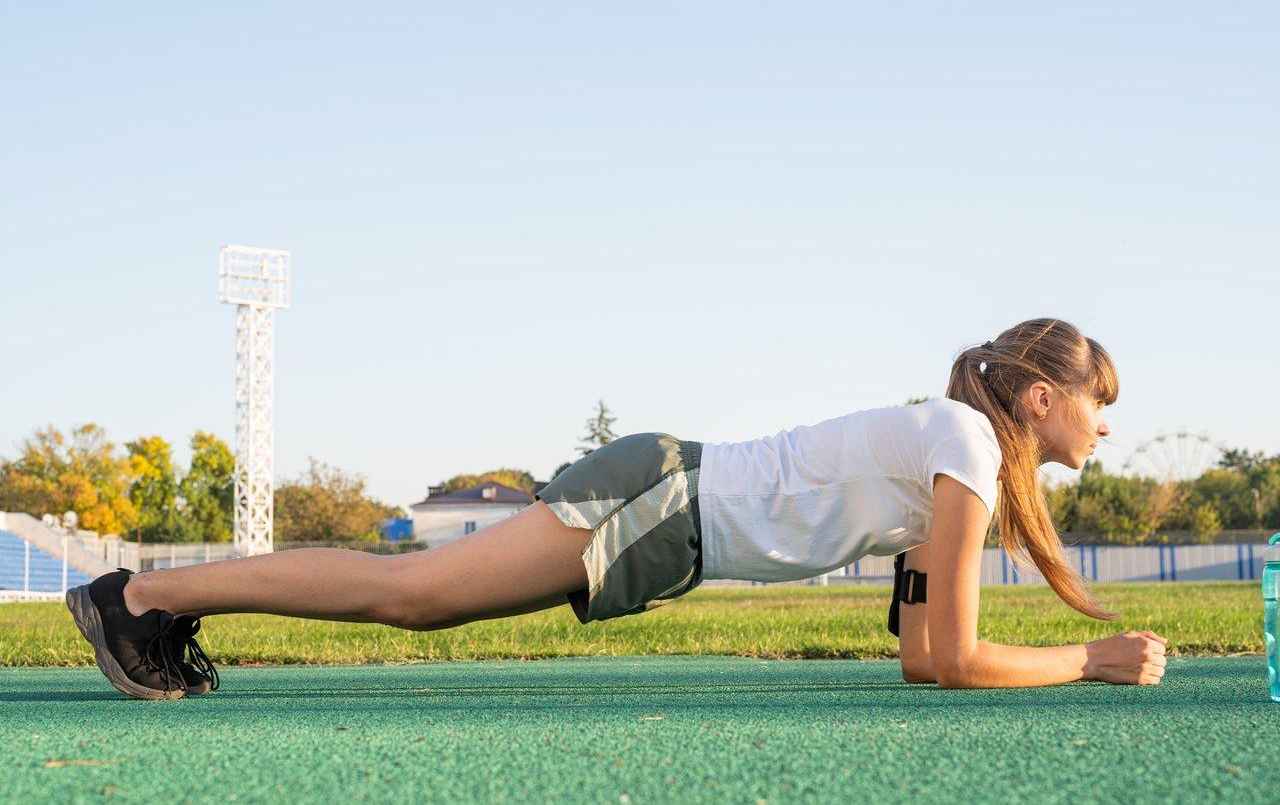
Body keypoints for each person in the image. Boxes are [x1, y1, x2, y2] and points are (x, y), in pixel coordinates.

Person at [65, 316, 1167, 699]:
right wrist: (1087, 657)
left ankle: (152, 598)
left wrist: (1050, 655)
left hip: (669, 509)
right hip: (663, 495)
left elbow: (930, 659)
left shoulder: (952, 451)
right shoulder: (967, 440)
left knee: (414, 599)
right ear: (1040, 395)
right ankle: (141, 595)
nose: (1103, 424)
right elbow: (962, 656)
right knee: (411, 593)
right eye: (1096, 401)